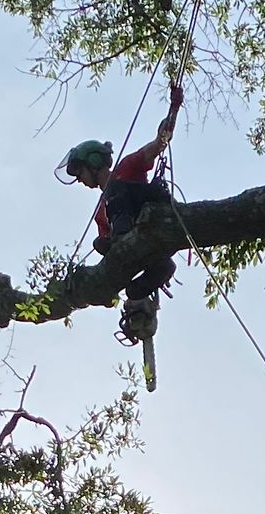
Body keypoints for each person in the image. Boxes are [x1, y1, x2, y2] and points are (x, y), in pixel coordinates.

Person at [63, 85, 184, 380]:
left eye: (81, 173)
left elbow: (159, 143)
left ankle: (124, 240)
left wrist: (173, 110)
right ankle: (146, 272)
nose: (81, 180)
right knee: (130, 277)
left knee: (116, 192)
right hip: (145, 251)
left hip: (150, 218)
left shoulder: (126, 169)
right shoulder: (101, 213)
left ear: (93, 164)